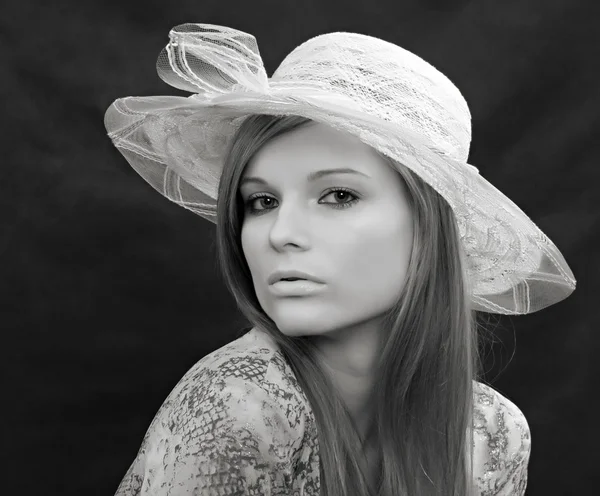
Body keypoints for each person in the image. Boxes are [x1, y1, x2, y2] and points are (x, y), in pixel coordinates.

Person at [104, 23, 576, 496]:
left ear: (429, 227)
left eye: (338, 195)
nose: (281, 234)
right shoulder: (240, 405)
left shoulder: (492, 436)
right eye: (261, 202)